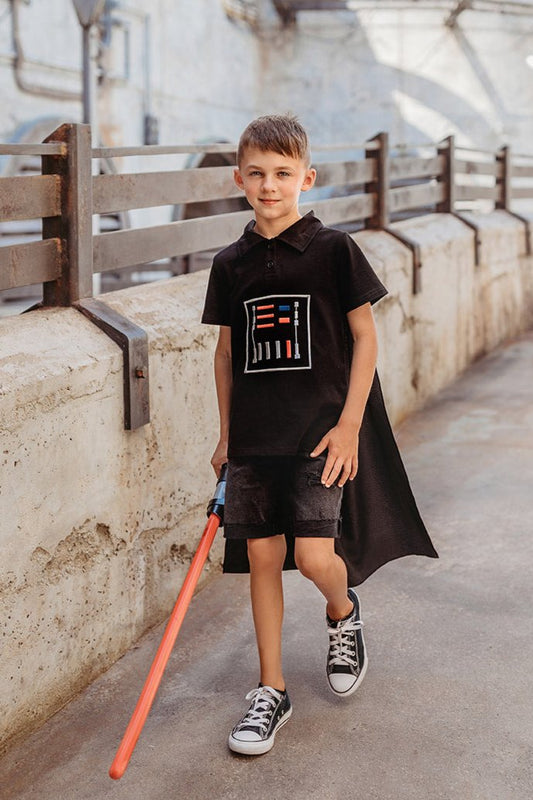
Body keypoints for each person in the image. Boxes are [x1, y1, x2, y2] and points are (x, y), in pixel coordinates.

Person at [201, 114, 437, 756]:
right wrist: (226, 438)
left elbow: (365, 338)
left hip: (319, 434)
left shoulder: (334, 250)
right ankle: (270, 689)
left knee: (312, 557)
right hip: (255, 439)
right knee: (262, 557)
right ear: (238, 179)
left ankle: (342, 611)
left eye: (283, 174)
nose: (269, 185)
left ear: (307, 178)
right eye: (256, 174)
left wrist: (349, 425)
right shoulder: (229, 264)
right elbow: (226, 355)